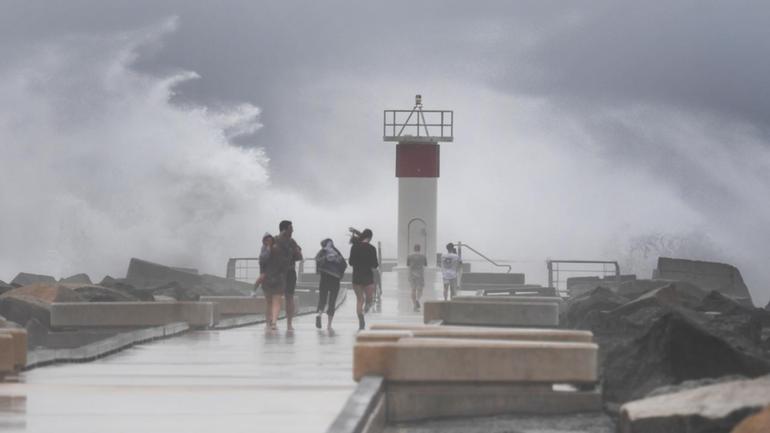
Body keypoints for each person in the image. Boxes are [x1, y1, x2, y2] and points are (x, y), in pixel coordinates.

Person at [349, 227, 378, 330]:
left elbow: (351, 262)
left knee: (359, 299)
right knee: (369, 300)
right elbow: (375, 265)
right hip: (368, 277)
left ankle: (360, 318)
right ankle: (364, 312)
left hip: (356, 276)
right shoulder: (372, 248)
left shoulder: (354, 247)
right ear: (370, 237)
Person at [275, 220, 302, 331]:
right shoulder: (276, 240)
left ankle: (289, 323)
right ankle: (276, 322)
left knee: (288, 297)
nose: (293, 230)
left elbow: (299, 256)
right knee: (279, 297)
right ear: (285, 230)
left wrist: (296, 251)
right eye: (291, 228)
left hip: (289, 272)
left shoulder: (292, 242)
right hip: (279, 272)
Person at [314, 238, 347, 330]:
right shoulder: (332, 252)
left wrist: (332, 259)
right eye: (329, 243)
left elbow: (317, 261)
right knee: (329, 301)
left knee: (325, 300)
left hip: (327, 278)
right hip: (333, 279)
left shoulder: (324, 252)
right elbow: (344, 264)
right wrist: (331, 259)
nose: (330, 245)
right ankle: (327, 324)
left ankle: (322, 318)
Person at [260, 233, 289, 331]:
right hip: (272, 279)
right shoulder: (265, 251)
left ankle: (272, 322)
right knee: (271, 302)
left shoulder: (271, 251)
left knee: (272, 302)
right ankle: (271, 322)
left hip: (274, 279)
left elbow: (262, 263)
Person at [406, 244, 428, 311]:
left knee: (413, 290)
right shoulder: (423, 256)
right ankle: (417, 300)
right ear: (419, 248)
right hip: (420, 274)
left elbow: (407, 264)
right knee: (420, 290)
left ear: (414, 248)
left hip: (412, 274)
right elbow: (425, 264)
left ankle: (414, 305)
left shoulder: (409, 256)